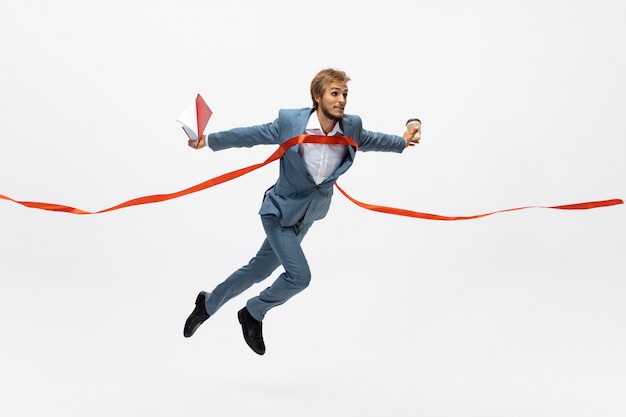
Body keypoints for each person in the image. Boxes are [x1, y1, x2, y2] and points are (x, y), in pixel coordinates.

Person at [183, 68, 421, 355]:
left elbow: (377, 140)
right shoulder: (290, 123)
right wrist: (207, 140)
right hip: (278, 213)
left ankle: (207, 304)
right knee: (299, 277)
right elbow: (251, 135)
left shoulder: (352, 127)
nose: (342, 100)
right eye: (335, 93)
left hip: (307, 217)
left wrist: (406, 138)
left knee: (258, 269)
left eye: (345, 94)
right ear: (317, 96)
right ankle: (253, 312)